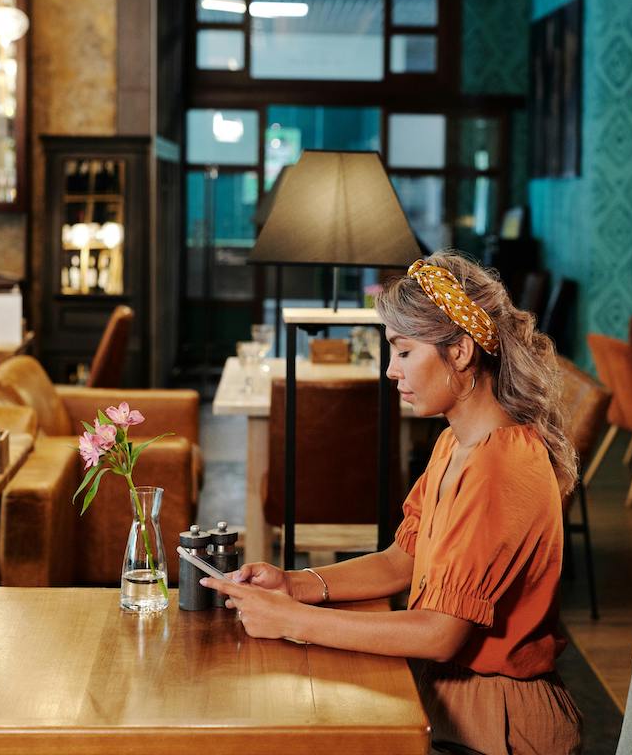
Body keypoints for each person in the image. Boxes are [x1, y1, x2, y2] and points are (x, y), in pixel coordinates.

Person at [202, 252, 583, 754]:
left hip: (496, 726)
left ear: (462, 352)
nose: (390, 370)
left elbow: (439, 633)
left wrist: (293, 622)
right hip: (448, 700)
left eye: (403, 352)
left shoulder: (498, 465)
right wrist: (294, 584)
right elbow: (401, 559)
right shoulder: (458, 443)